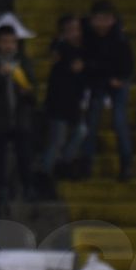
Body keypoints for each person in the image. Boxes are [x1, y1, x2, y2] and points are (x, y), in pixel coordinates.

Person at [80, 0, 135, 182]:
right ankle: (86, 163)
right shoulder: (86, 36)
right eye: (98, 19)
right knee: (91, 122)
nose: (102, 24)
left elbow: (127, 64)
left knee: (119, 122)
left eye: (107, 19)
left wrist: (118, 78)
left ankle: (126, 164)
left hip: (118, 81)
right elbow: (89, 62)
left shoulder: (120, 37)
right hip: (98, 81)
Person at [0, 24, 36, 201]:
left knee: (24, 156)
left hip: (20, 118)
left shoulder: (24, 62)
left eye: (12, 42)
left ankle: (27, 187)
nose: (9, 45)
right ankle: (1, 190)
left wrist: (27, 91)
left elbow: (33, 89)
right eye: (5, 42)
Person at [41, 15, 88, 179]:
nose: (74, 33)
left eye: (76, 29)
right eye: (70, 30)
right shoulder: (61, 48)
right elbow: (57, 54)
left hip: (74, 101)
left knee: (81, 131)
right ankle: (45, 173)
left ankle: (63, 162)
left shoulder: (83, 50)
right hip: (58, 102)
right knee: (57, 140)